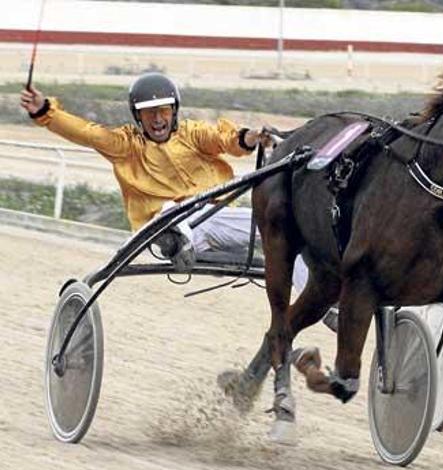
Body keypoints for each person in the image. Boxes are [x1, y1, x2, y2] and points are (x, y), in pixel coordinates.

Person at [19, 73, 332, 324]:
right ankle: (176, 239)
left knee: (288, 233)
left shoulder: (192, 134)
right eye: (149, 113)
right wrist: (45, 111)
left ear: (174, 112)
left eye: (164, 112)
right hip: (164, 227)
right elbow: (85, 132)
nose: (158, 119)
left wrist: (250, 137)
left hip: (213, 222)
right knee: (173, 211)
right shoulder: (124, 144)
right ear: (137, 117)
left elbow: (224, 138)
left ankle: (325, 303)